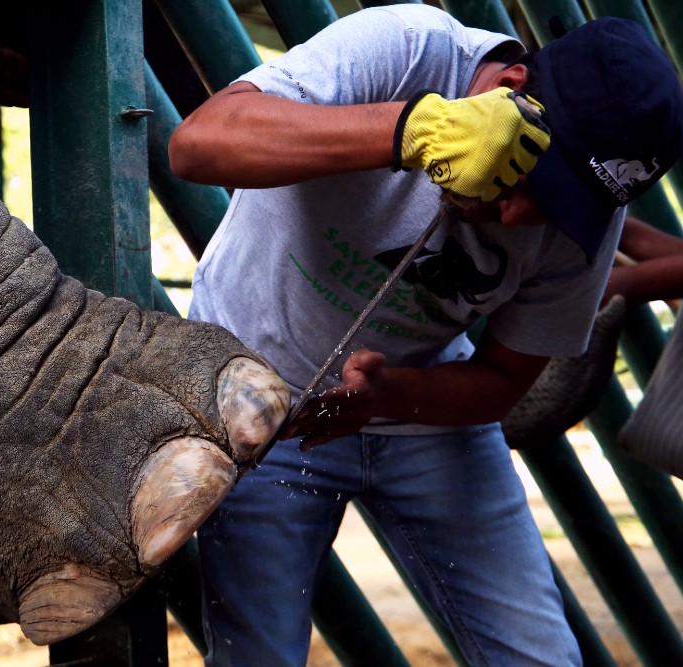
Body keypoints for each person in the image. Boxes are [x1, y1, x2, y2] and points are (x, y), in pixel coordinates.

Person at [168, 5, 683, 666]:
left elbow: (502, 381)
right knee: (259, 653)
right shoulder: (409, 49)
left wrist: (388, 392)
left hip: (421, 408)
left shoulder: (588, 215)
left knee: (540, 655)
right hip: (255, 390)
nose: (525, 215)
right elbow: (197, 144)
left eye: (563, 206)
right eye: (539, 179)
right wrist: (410, 128)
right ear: (509, 90)